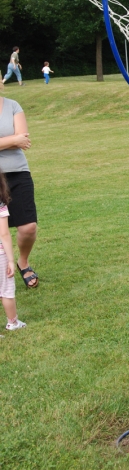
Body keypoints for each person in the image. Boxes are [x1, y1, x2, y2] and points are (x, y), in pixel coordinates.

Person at [0, 96, 38, 288]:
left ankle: (23, 261)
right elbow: (17, 139)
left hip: (17, 173)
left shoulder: (12, 105)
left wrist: (16, 139)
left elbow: (23, 138)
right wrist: (12, 139)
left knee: (28, 227)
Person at [0, 170, 26, 331]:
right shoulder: (1, 206)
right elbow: (4, 233)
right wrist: (10, 260)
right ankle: (13, 322)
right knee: (7, 289)